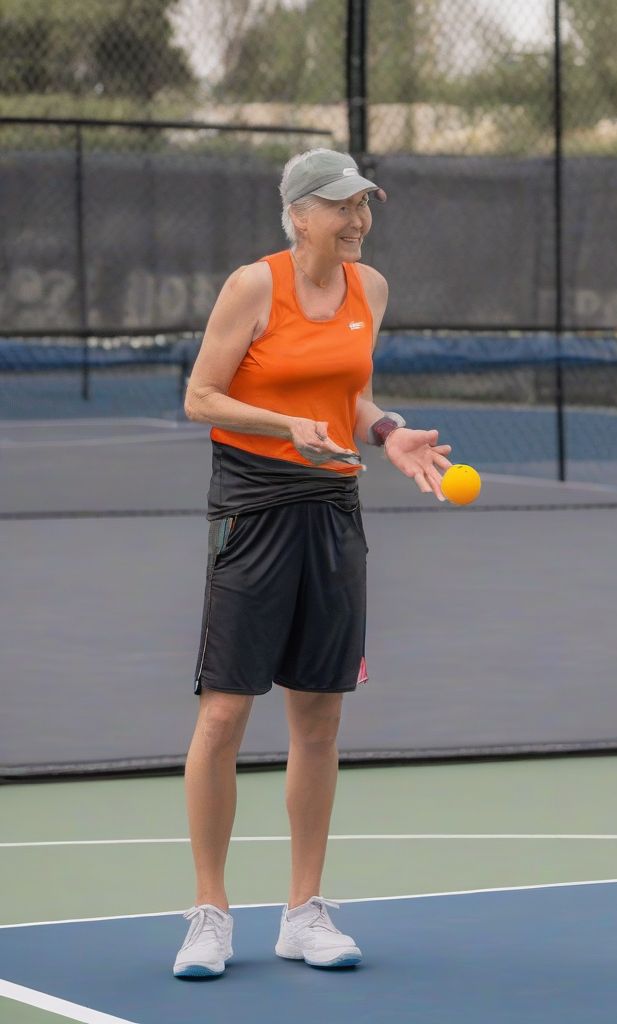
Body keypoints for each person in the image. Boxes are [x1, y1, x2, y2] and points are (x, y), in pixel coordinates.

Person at [172, 149, 452, 979]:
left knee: (319, 721)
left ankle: (303, 912)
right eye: (341, 207)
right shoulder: (253, 286)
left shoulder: (372, 289)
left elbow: (349, 393)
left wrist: (386, 431)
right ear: (299, 214)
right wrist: (282, 425)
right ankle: (210, 914)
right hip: (253, 509)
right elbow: (200, 396)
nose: (358, 220)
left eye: (364, 205)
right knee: (224, 715)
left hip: (334, 509)